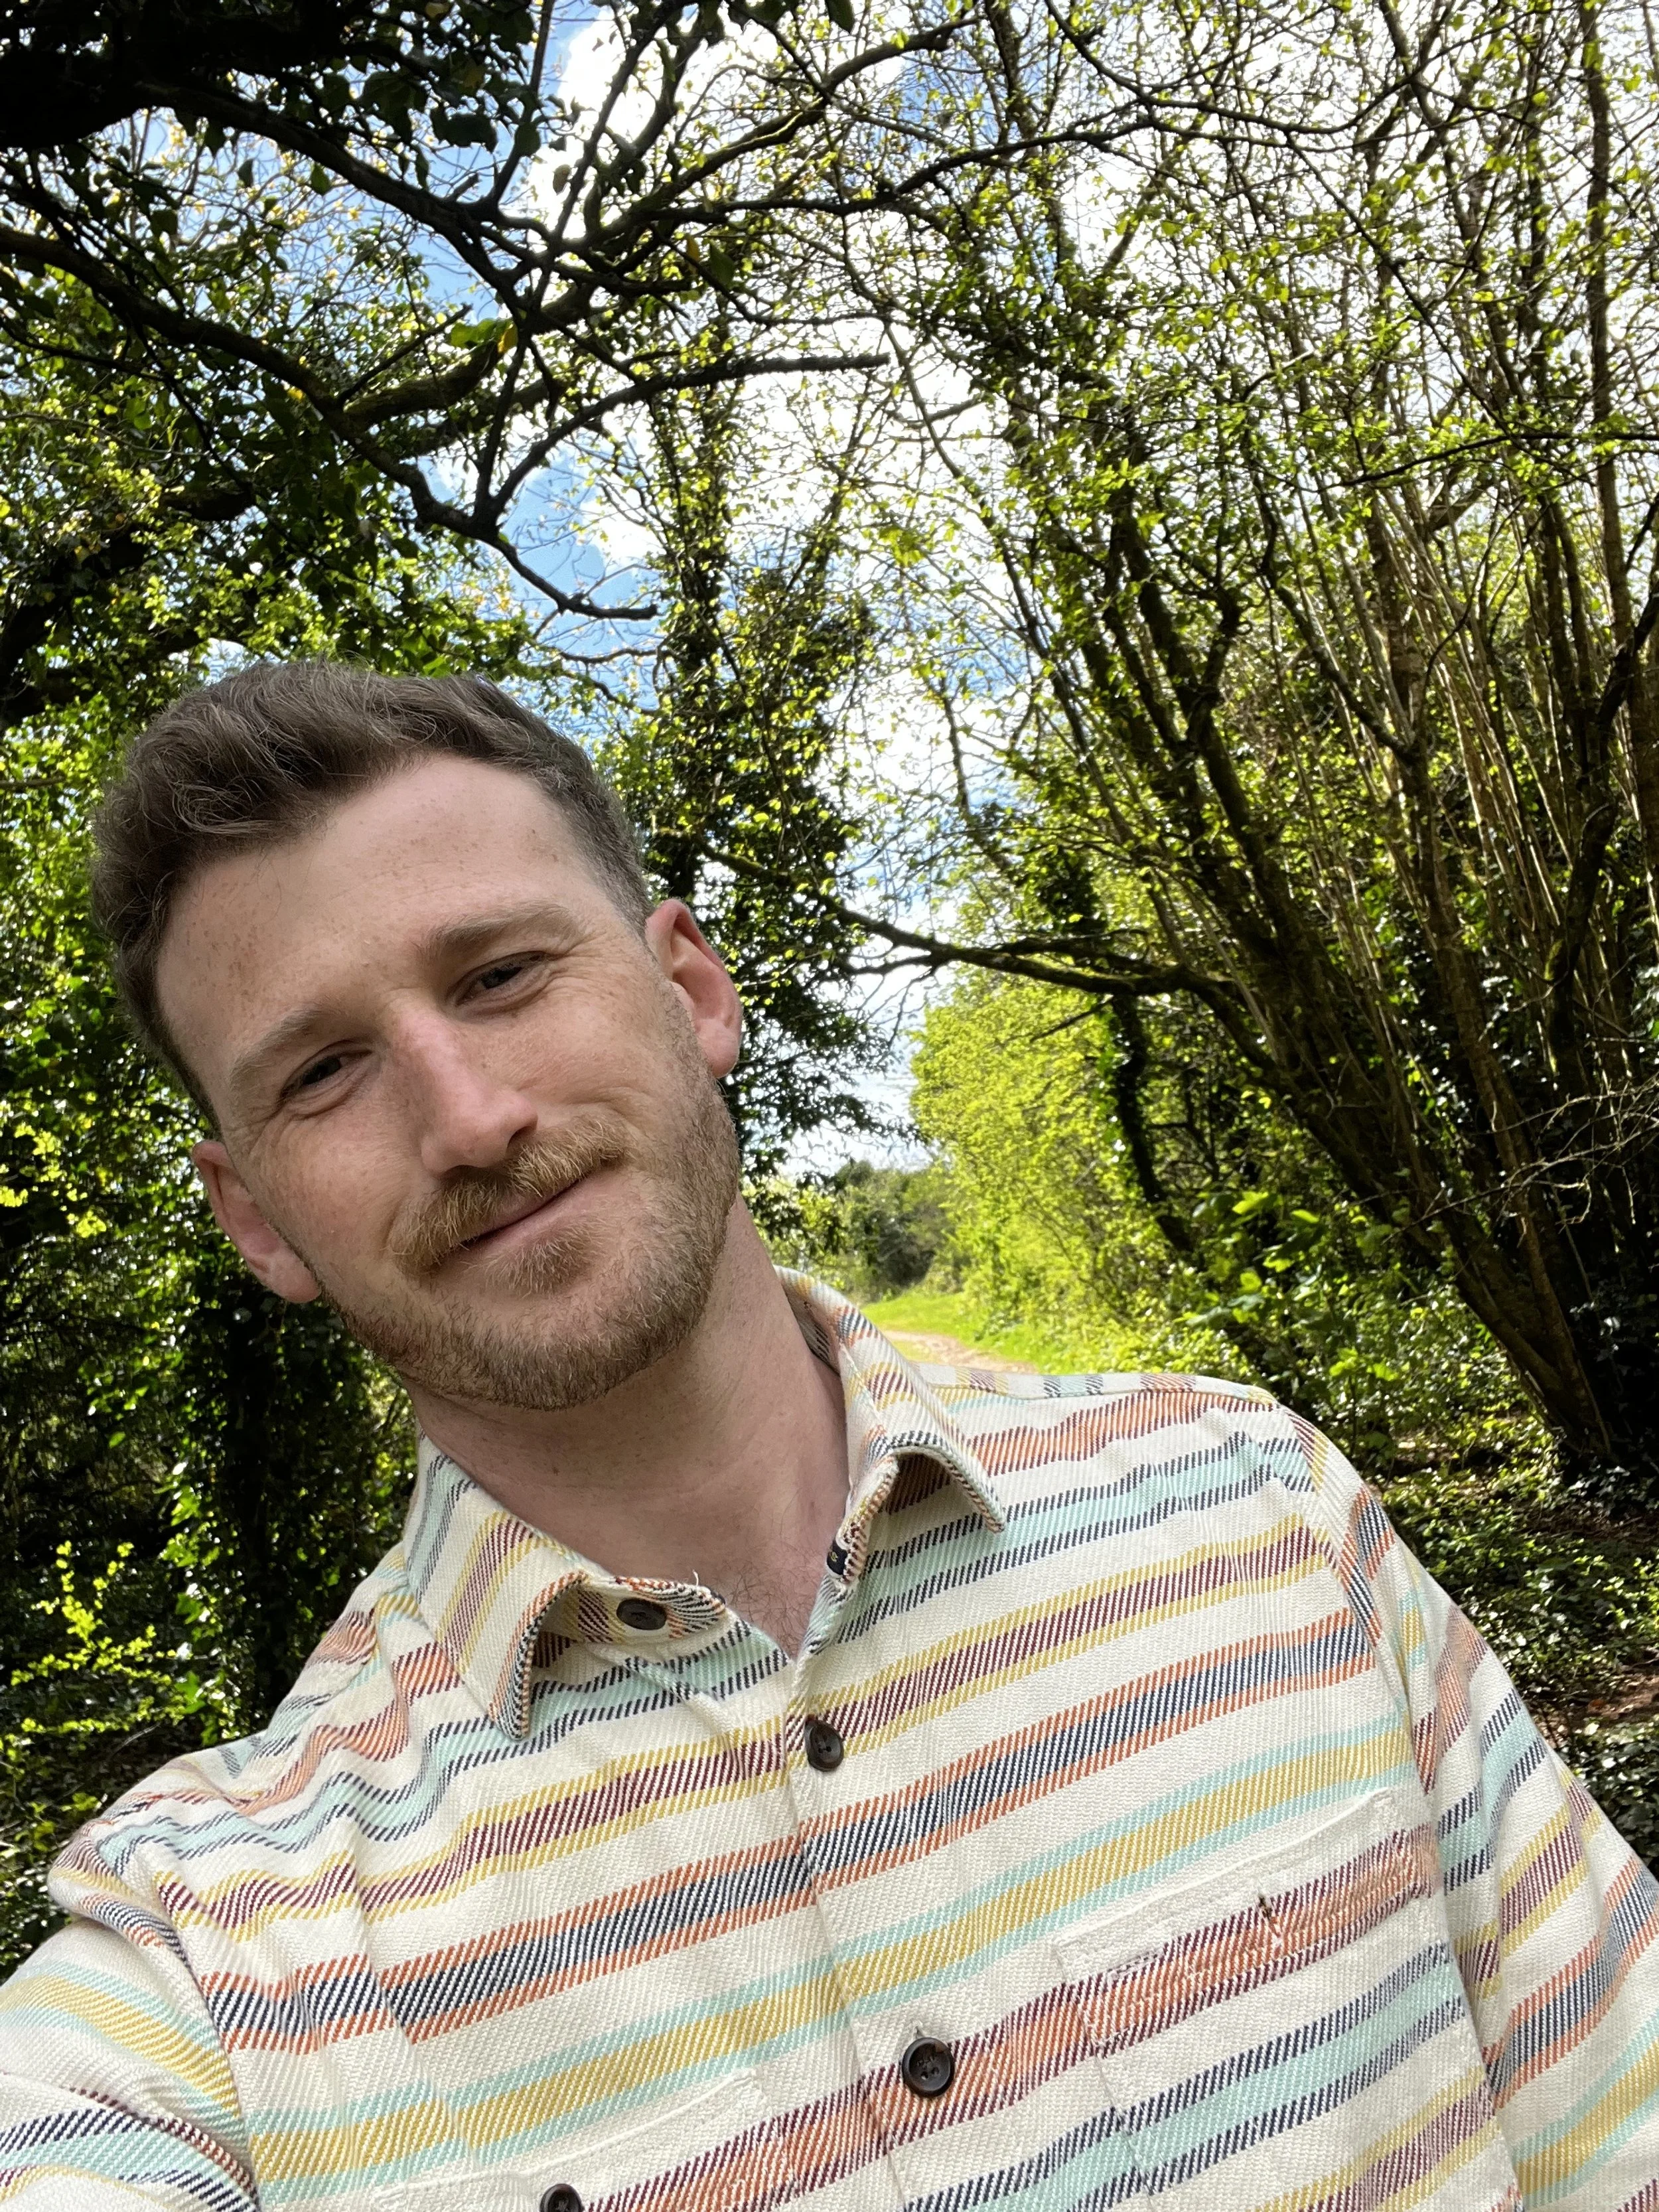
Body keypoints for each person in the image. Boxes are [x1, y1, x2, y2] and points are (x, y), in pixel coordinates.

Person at [0, 662, 1654, 2212]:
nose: (467, 1117)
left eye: (501, 976)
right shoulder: (206, 1967)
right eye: (322, 1072)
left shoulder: (1259, 1504)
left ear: (690, 987)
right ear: (255, 1220)